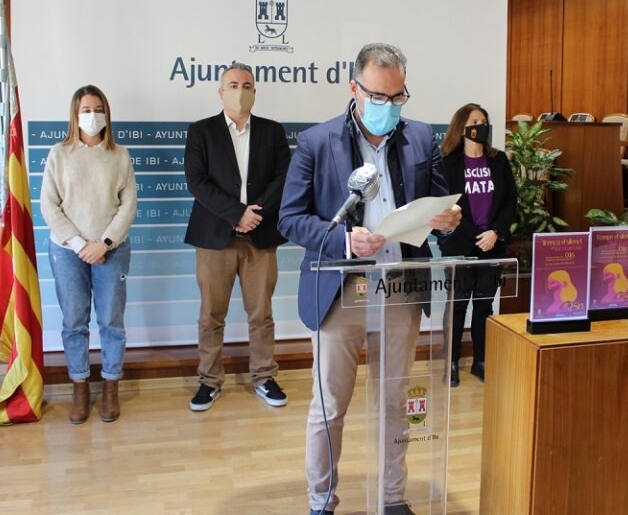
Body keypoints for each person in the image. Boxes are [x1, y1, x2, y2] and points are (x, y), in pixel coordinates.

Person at [278, 43, 461, 515]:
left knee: (394, 401)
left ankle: (393, 497)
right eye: (379, 97)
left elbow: (440, 202)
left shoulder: (421, 137)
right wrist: (343, 241)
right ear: (354, 88)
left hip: (400, 287)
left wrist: (447, 217)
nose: (389, 107)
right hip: (339, 290)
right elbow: (290, 218)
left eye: (398, 97)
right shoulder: (317, 142)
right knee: (329, 408)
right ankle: (322, 501)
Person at [183, 62, 291, 411]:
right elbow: (197, 182)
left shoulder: (273, 131)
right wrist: (235, 214)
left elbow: (282, 177)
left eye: (246, 85)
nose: (240, 91)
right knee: (211, 315)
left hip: (260, 235)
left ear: (255, 91)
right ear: (220, 91)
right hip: (215, 235)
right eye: (232, 84)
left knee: (261, 313)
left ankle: (264, 376)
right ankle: (209, 381)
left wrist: (253, 215)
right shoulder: (201, 131)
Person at [41, 85, 137, 424]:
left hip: (111, 250)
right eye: (85, 109)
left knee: (111, 321)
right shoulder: (58, 154)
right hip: (68, 251)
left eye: (98, 108)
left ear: (106, 113)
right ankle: (79, 385)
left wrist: (105, 243)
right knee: (74, 322)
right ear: (74, 114)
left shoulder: (119, 155)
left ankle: (110, 385)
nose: (92, 115)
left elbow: (128, 206)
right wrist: (80, 245)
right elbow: (49, 206)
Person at [437, 103, 518, 387]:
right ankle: (452, 363)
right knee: (457, 306)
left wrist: (496, 232)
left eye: (484, 121)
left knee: (484, 305)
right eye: (475, 121)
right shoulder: (447, 163)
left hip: (492, 245)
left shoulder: (498, 160)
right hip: (460, 245)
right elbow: (445, 207)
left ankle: (480, 360)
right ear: (462, 127)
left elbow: (510, 200)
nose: (480, 126)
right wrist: (475, 235)